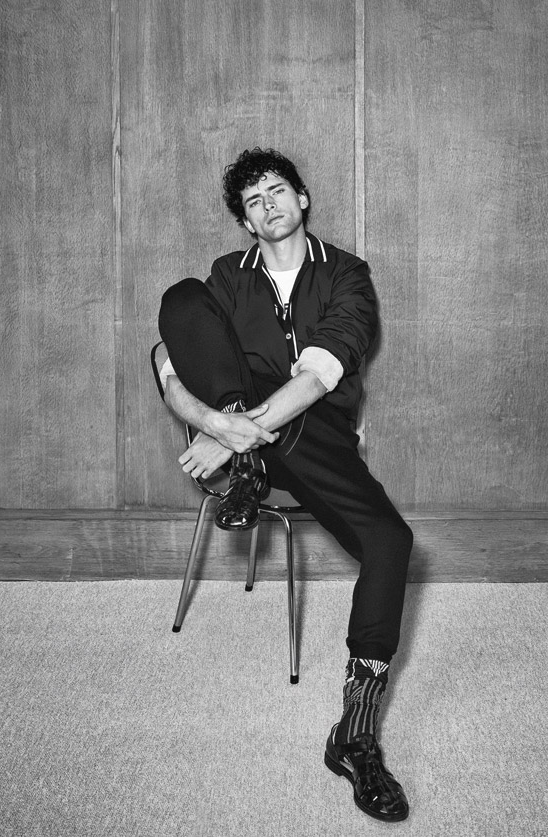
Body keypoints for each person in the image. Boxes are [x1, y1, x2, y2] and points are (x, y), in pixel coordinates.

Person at [157, 147, 413, 823]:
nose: (267, 204)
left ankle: (355, 734)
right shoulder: (226, 276)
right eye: (253, 201)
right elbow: (169, 355)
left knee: (391, 542)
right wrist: (215, 420)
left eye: (276, 191)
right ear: (246, 222)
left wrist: (235, 437)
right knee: (179, 299)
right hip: (242, 431)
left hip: (316, 441)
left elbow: (322, 373)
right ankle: (246, 457)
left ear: (302, 199)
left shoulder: (347, 274)